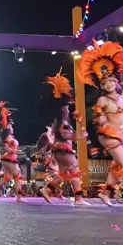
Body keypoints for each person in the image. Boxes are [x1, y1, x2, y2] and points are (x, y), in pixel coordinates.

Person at [79, 41, 123, 208]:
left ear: (117, 82)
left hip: (120, 135)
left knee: (117, 166)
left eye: (110, 81)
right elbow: (98, 118)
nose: (108, 84)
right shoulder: (102, 100)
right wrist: (101, 119)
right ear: (102, 87)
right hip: (108, 135)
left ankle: (104, 193)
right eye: (104, 83)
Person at [45, 70, 89, 205]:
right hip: (64, 149)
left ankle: (46, 190)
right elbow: (63, 133)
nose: (68, 110)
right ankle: (78, 199)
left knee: (64, 175)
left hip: (59, 151)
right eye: (67, 108)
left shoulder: (60, 119)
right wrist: (79, 137)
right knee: (74, 169)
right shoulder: (63, 118)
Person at [0, 102, 23, 201]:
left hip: (7, 159)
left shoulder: (5, 132)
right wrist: (13, 150)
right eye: (11, 126)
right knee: (17, 176)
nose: (12, 128)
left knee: (7, 179)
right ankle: (19, 197)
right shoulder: (6, 132)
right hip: (10, 158)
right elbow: (5, 146)